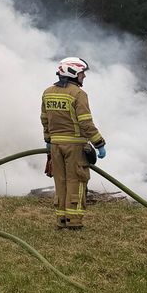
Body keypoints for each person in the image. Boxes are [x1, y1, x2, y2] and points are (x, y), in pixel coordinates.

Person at [41, 56, 107, 230]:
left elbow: (45, 119)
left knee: (60, 182)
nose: (84, 76)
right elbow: (85, 123)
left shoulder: (48, 92)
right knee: (76, 182)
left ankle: (61, 220)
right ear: (73, 73)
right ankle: (74, 222)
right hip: (75, 147)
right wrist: (99, 143)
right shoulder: (78, 94)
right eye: (82, 73)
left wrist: (48, 140)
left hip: (55, 147)